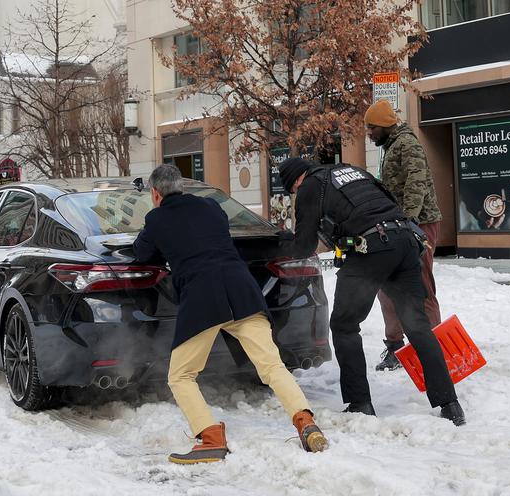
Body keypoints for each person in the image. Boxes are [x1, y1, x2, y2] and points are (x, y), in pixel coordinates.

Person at [133, 164, 327, 464]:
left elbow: (142, 253)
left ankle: (211, 438)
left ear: (155, 194)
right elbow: (215, 230)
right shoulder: (211, 207)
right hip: (243, 290)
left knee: (181, 376)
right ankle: (306, 422)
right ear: (182, 188)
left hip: (202, 299)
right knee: (272, 366)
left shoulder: (156, 219)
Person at [277, 156, 465, 425]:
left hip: (372, 247)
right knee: (417, 325)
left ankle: (360, 403)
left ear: (296, 179)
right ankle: (450, 404)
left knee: (344, 325)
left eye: (292, 190)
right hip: (405, 241)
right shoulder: (352, 172)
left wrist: (283, 245)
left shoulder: (310, 186)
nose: (295, 194)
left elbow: (304, 245)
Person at [365, 99, 442, 371]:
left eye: (372, 127)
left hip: (419, 224)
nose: (369, 132)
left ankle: (433, 347)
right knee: (387, 287)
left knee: (420, 287)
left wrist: (409, 221)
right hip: (397, 226)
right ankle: (396, 346)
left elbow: (416, 183)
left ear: (385, 125)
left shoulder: (407, 144)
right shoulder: (389, 147)